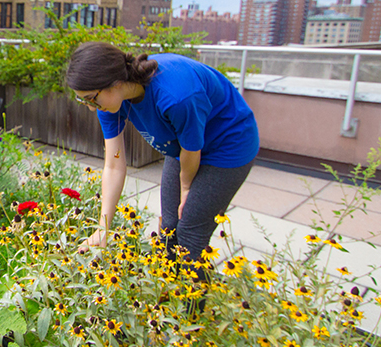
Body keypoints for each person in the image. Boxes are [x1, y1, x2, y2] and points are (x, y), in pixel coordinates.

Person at [66, 42, 259, 274]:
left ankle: (192, 307)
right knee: (168, 228)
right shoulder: (109, 104)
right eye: (83, 100)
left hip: (229, 144)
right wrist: (103, 227)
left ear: (114, 83)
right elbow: (114, 164)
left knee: (189, 235)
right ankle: (167, 301)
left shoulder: (175, 96)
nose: (90, 107)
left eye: (90, 99)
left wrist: (186, 187)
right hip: (186, 144)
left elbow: (191, 150)